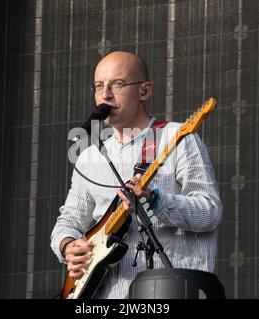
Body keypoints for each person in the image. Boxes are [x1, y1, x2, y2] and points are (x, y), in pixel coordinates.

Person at [50, 51, 223, 298]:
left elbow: (211, 212)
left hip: (171, 290)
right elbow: (67, 222)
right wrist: (68, 245)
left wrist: (156, 201)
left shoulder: (177, 138)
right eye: (99, 86)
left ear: (144, 91)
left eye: (117, 84)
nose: (105, 95)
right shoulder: (90, 157)